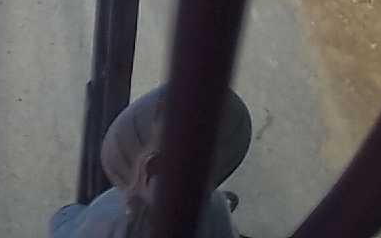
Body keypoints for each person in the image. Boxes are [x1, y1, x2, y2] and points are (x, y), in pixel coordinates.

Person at [49, 85, 251, 238]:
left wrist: (67, 214)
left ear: (150, 166)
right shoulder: (215, 208)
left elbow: (63, 227)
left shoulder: (113, 213)